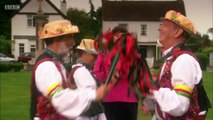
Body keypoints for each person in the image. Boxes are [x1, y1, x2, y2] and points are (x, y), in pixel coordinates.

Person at [30, 20, 111, 120]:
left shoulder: (55, 63)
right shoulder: (47, 66)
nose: (73, 42)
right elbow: (59, 97)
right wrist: (93, 94)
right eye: (69, 37)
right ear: (57, 40)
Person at [149, 10, 211, 120]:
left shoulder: (184, 60)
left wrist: (150, 87)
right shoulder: (172, 58)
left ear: (177, 32)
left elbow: (180, 106)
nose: (159, 28)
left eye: (165, 25)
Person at [93, 26, 138, 120]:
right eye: (117, 36)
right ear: (111, 37)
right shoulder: (103, 54)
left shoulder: (134, 55)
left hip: (129, 99)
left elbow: (138, 76)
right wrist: (109, 77)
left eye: (123, 36)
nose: (120, 38)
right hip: (110, 99)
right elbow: (97, 73)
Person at [70, 39, 110, 120]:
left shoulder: (87, 70)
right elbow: (89, 93)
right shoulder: (79, 70)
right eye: (93, 55)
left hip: (94, 112)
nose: (96, 58)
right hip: (84, 115)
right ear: (84, 53)